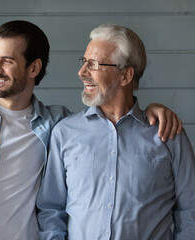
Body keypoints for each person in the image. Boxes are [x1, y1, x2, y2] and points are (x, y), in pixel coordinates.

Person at [0, 21, 182, 240]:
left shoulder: (56, 124)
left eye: (7, 61)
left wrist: (153, 109)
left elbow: (110, 121)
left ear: (34, 67)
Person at [36, 24, 195, 240]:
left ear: (125, 76)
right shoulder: (65, 133)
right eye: (84, 63)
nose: (82, 73)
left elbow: (190, 211)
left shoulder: (169, 134)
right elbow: (51, 210)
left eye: (94, 65)